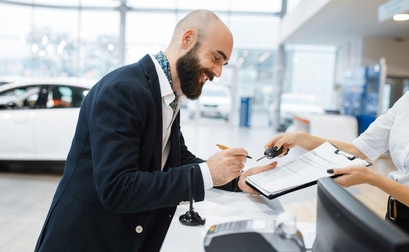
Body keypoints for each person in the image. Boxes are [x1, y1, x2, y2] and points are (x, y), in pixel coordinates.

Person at [34, 9, 276, 252]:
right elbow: (117, 188)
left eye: (223, 64)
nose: (218, 72)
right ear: (188, 39)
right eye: (215, 57)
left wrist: (235, 179)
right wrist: (208, 174)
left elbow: (176, 158)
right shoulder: (123, 90)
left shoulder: (168, 96)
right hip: (84, 241)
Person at [265, 91, 409, 234]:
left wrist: (372, 178)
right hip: (395, 217)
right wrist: (300, 138)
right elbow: (354, 149)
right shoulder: (405, 101)